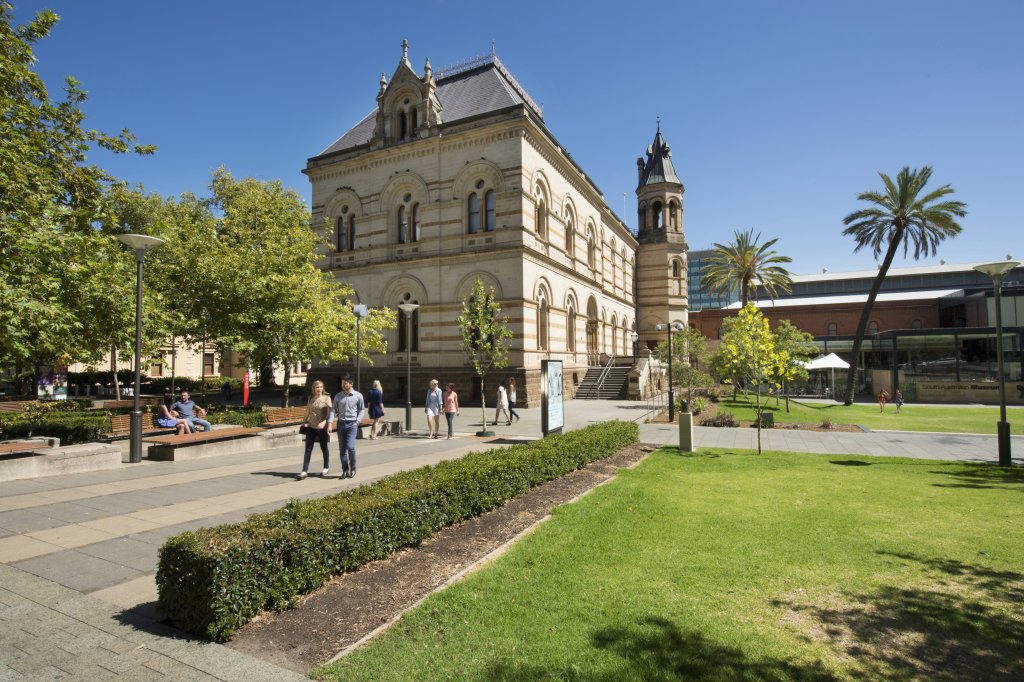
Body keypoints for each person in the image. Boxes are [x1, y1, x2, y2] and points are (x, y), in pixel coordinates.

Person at [329, 376, 364, 478]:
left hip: (352, 425)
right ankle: (345, 470)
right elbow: (333, 410)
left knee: (350, 447)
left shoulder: (358, 396)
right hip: (341, 424)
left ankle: (353, 468)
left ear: (351, 384)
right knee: (342, 449)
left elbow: (362, 409)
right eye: (342, 383)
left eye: (345, 383)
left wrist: (358, 421)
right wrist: (330, 423)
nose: (343, 385)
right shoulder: (338, 396)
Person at [297, 380, 332, 480]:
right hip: (311, 426)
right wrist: (304, 421)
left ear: (323, 388)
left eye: (321, 387)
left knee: (324, 447)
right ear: (314, 388)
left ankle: (326, 467)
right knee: (308, 448)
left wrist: (324, 422)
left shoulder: (327, 398)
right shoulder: (311, 398)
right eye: (317, 387)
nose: (319, 389)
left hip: (321, 427)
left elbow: (331, 412)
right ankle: (304, 471)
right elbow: (307, 411)